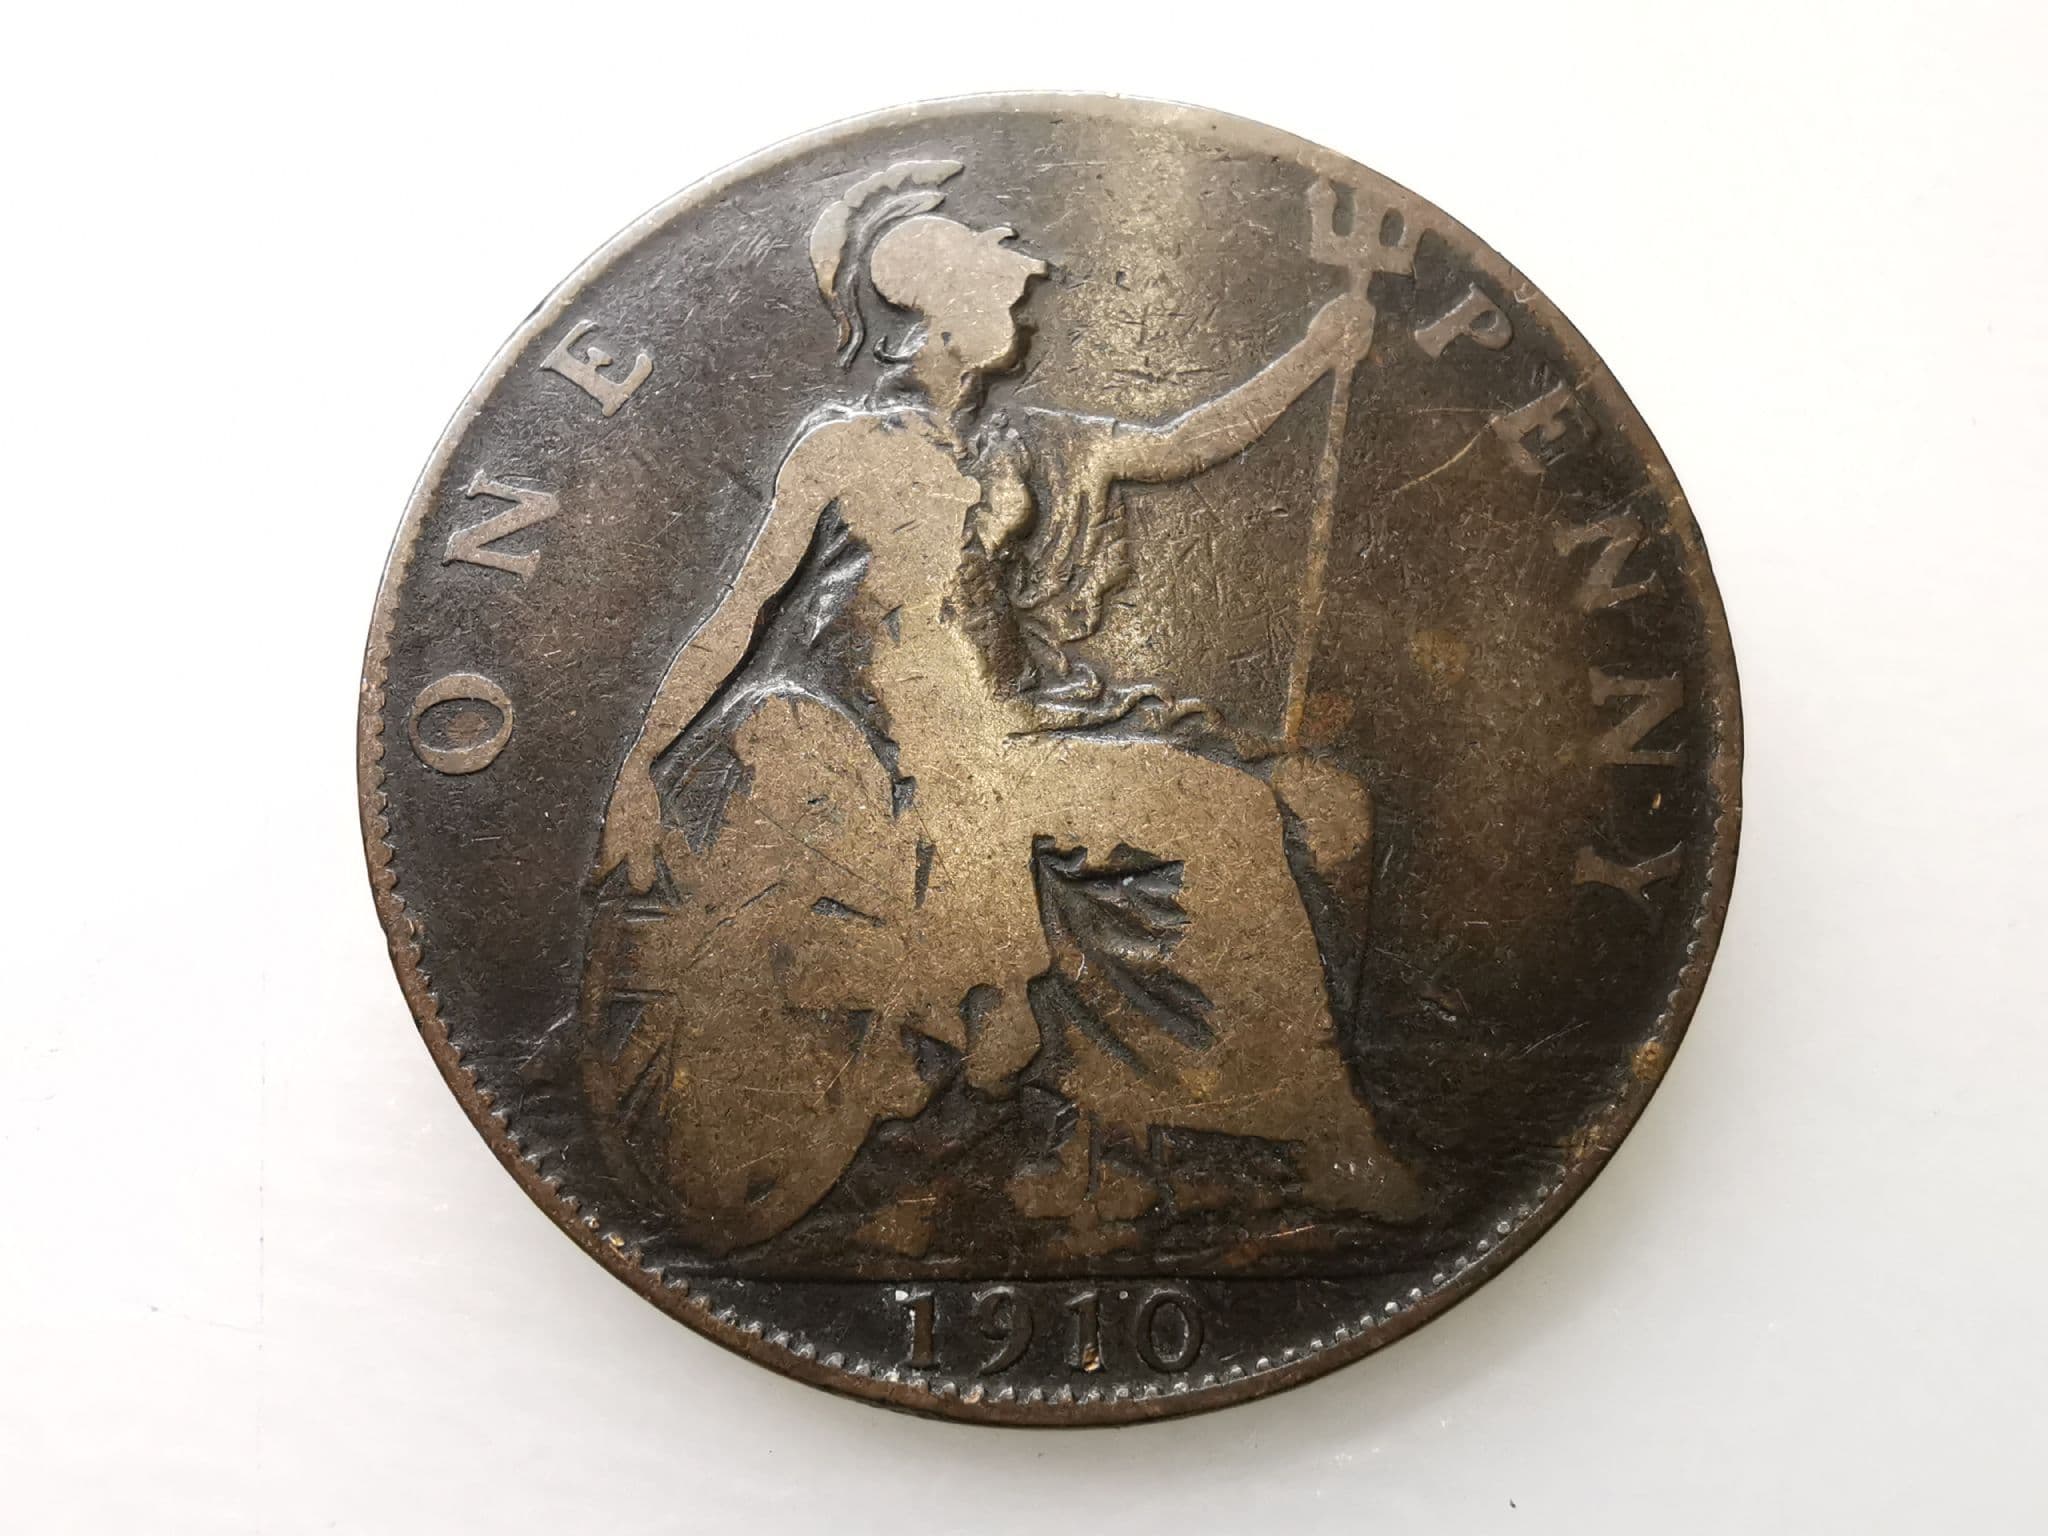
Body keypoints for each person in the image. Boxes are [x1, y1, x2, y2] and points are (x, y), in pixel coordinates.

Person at [579, 160, 1420, 1257]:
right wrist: (641, 767)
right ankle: (1312, 1133)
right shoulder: (841, 453)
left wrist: (1309, 359)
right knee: (1226, 817)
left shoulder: (1025, 442)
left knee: (1288, 808)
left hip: (1024, 727)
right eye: (998, 292)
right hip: (913, 754)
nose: (1021, 309)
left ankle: (1222, 1122)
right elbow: (741, 612)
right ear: (933, 313)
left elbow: (1177, 446)